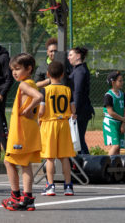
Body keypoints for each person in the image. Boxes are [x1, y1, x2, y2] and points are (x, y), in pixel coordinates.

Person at [2, 53, 43, 211]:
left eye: (18, 69)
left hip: (22, 131)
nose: (14, 72)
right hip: (30, 129)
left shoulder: (24, 84)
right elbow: (38, 94)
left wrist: (26, 109)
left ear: (29, 69)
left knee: (8, 161)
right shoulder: (32, 83)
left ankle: (15, 196)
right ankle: (28, 199)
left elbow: (39, 97)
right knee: (25, 165)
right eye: (13, 69)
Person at [39, 61, 76, 196]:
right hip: (63, 124)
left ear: (48, 74)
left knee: (49, 158)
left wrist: (38, 118)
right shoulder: (67, 90)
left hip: (49, 124)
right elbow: (73, 109)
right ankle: (68, 186)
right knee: (64, 157)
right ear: (62, 75)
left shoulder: (45, 90)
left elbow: (42, 110)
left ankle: (50, 185)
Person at [68, 47, 94, 154]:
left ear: (78, 56)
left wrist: (75, 111)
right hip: (82, 110)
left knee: (78, 141)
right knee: (78, 140)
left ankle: (86, 164)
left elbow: (77, 92)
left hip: (81, 111)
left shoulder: (80, 71)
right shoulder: (78, 69)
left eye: (71, 55)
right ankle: (82, 164)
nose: (68, 57)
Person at [102, 71, 125, 156]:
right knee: (115, 146)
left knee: (118, 148)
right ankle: (106, 165)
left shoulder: (122, 94)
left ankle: (115, 168)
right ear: (113, 82)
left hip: (120, 123)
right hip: (111, 122)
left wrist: (123, 124)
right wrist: (123, 119)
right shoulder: (108, 95)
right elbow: (110, 112)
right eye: (120, 81)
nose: (122, 82)